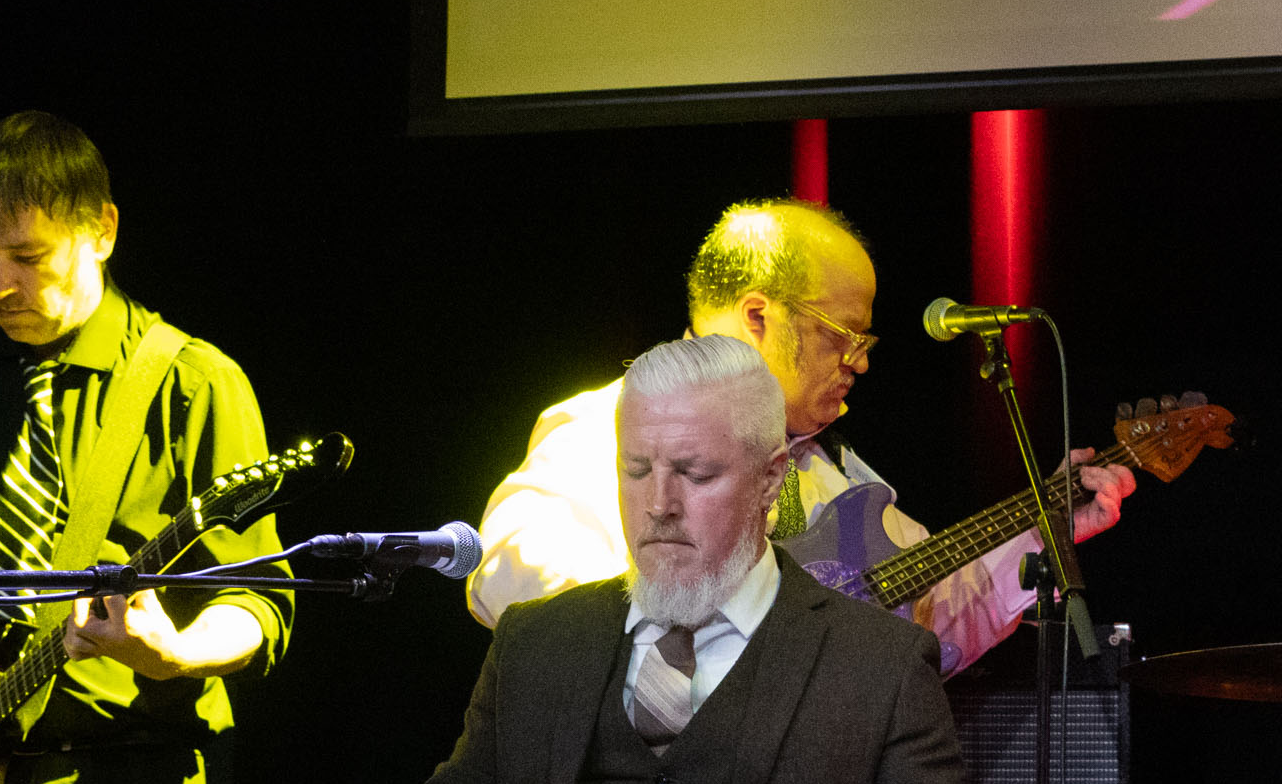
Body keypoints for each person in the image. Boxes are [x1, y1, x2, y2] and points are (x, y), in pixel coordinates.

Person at [418, 334, 993, 784]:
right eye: (636, 470)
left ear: (771, 478)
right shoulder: (534, 644)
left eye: (696, 474)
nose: (658, 506)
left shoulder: (880, 664)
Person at [467, 199, 1135, 675]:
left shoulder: (831, 478)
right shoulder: (610, 427)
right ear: (759, 316)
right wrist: (699, 641)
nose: (860, 362)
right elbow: (510, 569)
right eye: (845, 335)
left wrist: (1043, 531)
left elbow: (934, 625)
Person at [0, 111, 291, 784]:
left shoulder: (196, 384)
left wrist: (173, 655)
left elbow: (256, 601)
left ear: (103, 231)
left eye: (29, 258)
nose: (0, 287)